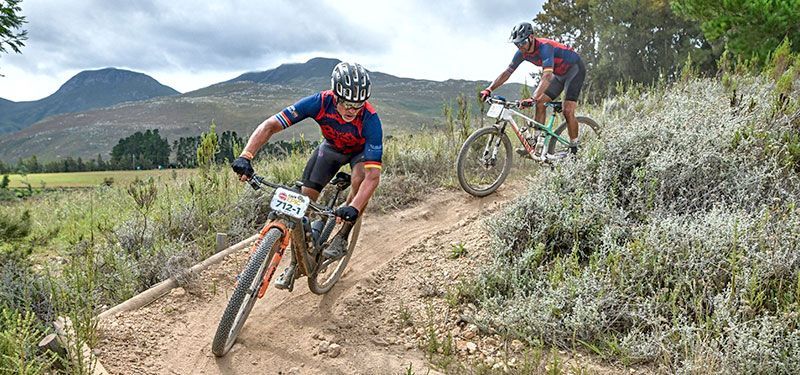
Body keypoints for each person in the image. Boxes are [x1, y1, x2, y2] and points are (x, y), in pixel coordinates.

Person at [231, 62, 383, 288]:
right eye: (347, 103)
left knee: (359, 180)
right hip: (331, 149)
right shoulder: (320, 102)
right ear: (335, 95)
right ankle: (297, 263)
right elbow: (271, 125)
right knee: (303, 203)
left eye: (358, 104)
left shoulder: (370, 120)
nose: (352, 110)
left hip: (359, 154)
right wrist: (246, 155)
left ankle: (342, 236)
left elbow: (373, 177)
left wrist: (354, 206)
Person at [480, 21, 586, 154]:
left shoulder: (545, 47)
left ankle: (575, 148)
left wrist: (532, 98)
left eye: (522, 42)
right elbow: (507, 72)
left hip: (574, 70)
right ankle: (536, 145)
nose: (520, 47)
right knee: (541, 103)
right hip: (559, 75)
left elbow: (547, 76)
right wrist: (489, 89)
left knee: (567, 110)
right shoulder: (521, 53)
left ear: (531, 37)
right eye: (516, 44)